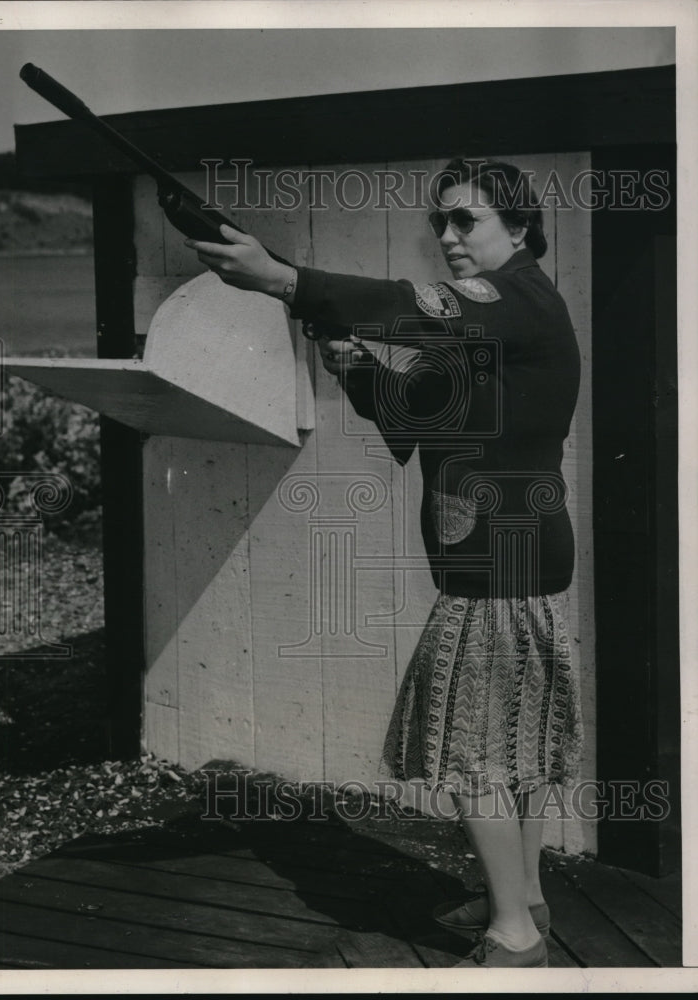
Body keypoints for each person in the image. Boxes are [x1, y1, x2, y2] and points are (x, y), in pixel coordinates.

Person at [185, 157, 584, 969]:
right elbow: (420, 418)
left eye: (464, 221)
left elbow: (414, 308)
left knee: (471, 746)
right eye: (439, 222)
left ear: (519, 228)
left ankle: (513, 937)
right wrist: (348, 357)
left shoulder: (513, 299)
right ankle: (528, 896)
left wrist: (283, 280)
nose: (446, 237)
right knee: (517, 737)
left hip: (491, 563)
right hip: (516, 553)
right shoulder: (508, 317)